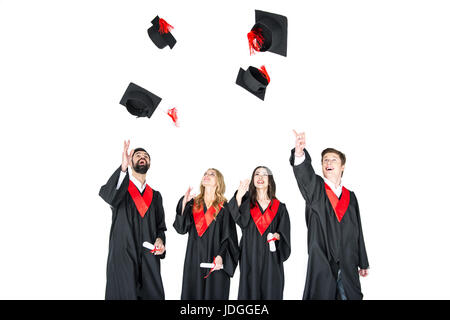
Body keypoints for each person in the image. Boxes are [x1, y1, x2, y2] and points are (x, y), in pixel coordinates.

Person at [290, 131, 369, 300]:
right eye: (325, 160)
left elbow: (358, 231)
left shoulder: (351, 196)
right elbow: (305, 175)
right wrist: (299, 153)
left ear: (342, 166)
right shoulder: (316, 188)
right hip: (323, 261)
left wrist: (363, 261)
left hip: (349, 263)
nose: (328, 162)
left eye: (334, 159)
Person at [99, 140, 167, 300]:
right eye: (137, 155)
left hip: (149, 257)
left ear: (149, 163)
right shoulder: (122, 189)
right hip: (124, 255)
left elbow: (160, 227)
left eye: (145, 156)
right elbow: (109, 197)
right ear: (130, 161)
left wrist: (159, 240)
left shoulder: (155, 196)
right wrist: (123, 168)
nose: (142, 157)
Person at [173, 168, 239, 300]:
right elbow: (181, 229)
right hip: (194, 260)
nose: (207, 175)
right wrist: (183, 204)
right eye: (205, 174)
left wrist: (221, 256)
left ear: (218, 182)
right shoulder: (193, 204)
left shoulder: (225, 207)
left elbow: (229, 237)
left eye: (212, 174)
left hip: (215, 261)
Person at [229, 166, 291, 300]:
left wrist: (278, 236)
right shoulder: (246, 203)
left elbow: (284, 234)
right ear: (253, 180)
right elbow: (239, 220)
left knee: (271, 291)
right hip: (249, 256)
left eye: (264, 174)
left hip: (271, 258)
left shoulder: (279, 207)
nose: (260, 177)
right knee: (249, 292)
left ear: (270, 180)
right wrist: (239, 195)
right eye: (257, 174)